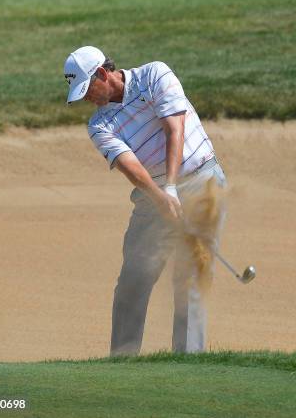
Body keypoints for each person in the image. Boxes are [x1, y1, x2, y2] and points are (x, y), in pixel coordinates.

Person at [63, 46, 226, 355]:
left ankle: (187, 367)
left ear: (102, 73)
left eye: (87, 89)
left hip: (203, 183)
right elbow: (131, 167)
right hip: (152, 200)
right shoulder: (99, 126)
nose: (86, 98)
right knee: (133, 281)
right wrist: (161, 197)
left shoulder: (154, 75)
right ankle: (122, 367)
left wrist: (173, 188)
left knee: (189, 277)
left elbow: (174, 129)